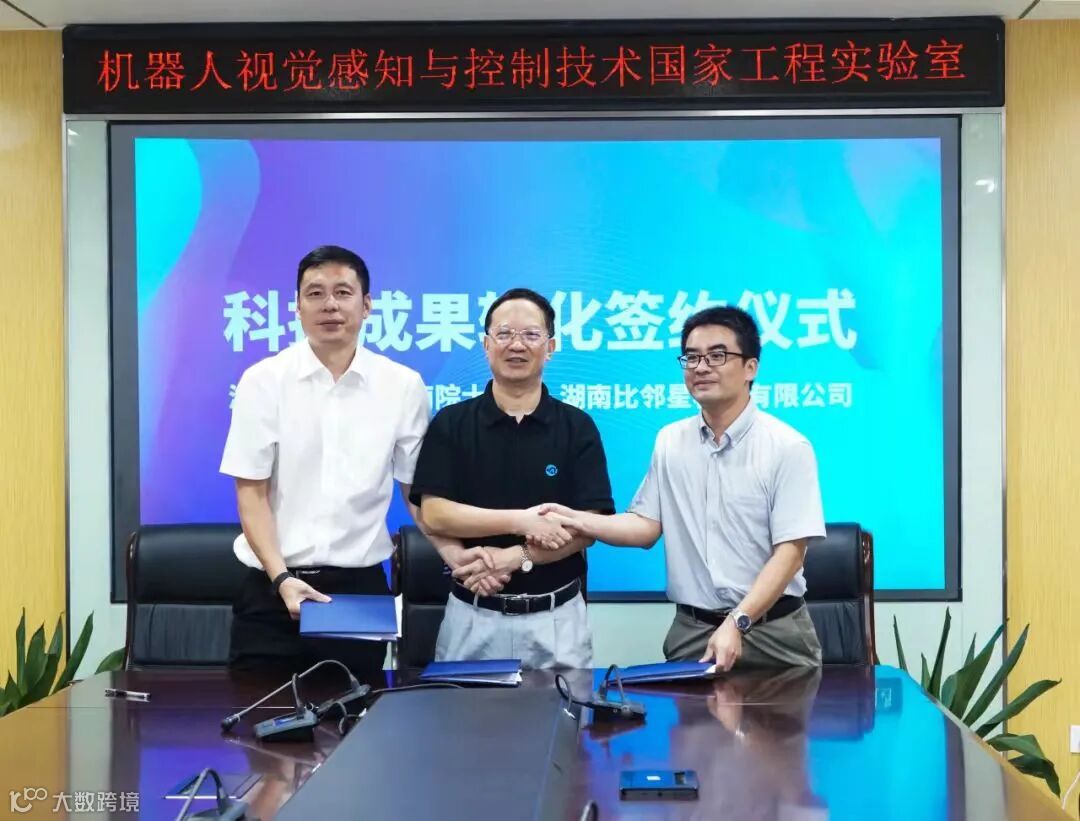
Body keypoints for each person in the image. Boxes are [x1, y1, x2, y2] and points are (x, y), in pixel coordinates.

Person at [220, 244, 472, 685]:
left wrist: (457, 555)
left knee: (354, 718)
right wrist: (281, 578)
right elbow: (251, 494)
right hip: (272, 589)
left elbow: (414, 492)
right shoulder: (263, 381)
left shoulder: (402, 385)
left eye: (342, 292)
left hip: (358, 592)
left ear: (367, 304)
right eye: (315, 293)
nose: (330, 305)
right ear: (297, 306)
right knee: (259, 718)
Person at [541, 306, 825, 671]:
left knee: (790, 712)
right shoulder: (671, 440)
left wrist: (737, 621)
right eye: (692, 357)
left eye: (717, 356)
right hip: (694, 630)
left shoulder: (787, 446)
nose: (701, 367)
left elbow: (790, 553)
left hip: (774, 632)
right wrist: (575, 519)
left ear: (750, 367)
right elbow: (645, 526)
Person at [409, 288, 614, 669]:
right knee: (461, 708)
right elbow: (435, 514)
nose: (516, 345)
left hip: (557, 618)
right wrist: (521, 521)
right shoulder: (452, 423)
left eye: (531, 334)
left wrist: (512, 558)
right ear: (486, 345)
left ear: (551, 347)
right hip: (473, 615)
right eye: (504, 334)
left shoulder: (577, 427)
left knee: (565, 709)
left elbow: (589, 526)